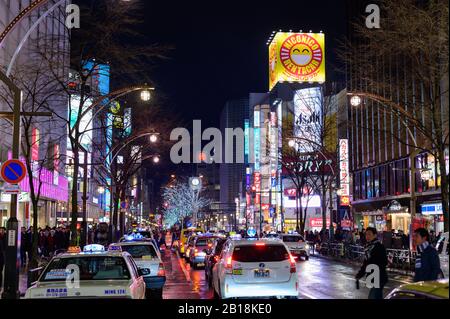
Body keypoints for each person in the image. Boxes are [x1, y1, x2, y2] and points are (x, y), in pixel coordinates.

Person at [355, 227, 388, 299]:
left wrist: (373, 265)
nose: (367, 237)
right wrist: (359, 275)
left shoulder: (379, 246)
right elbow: (365, 263)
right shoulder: (368, 248)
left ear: (375, 235)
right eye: (366, 234)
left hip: (379, 277)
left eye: (369, 234)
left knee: (373, 296)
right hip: (373, 277)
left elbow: (384, 262)